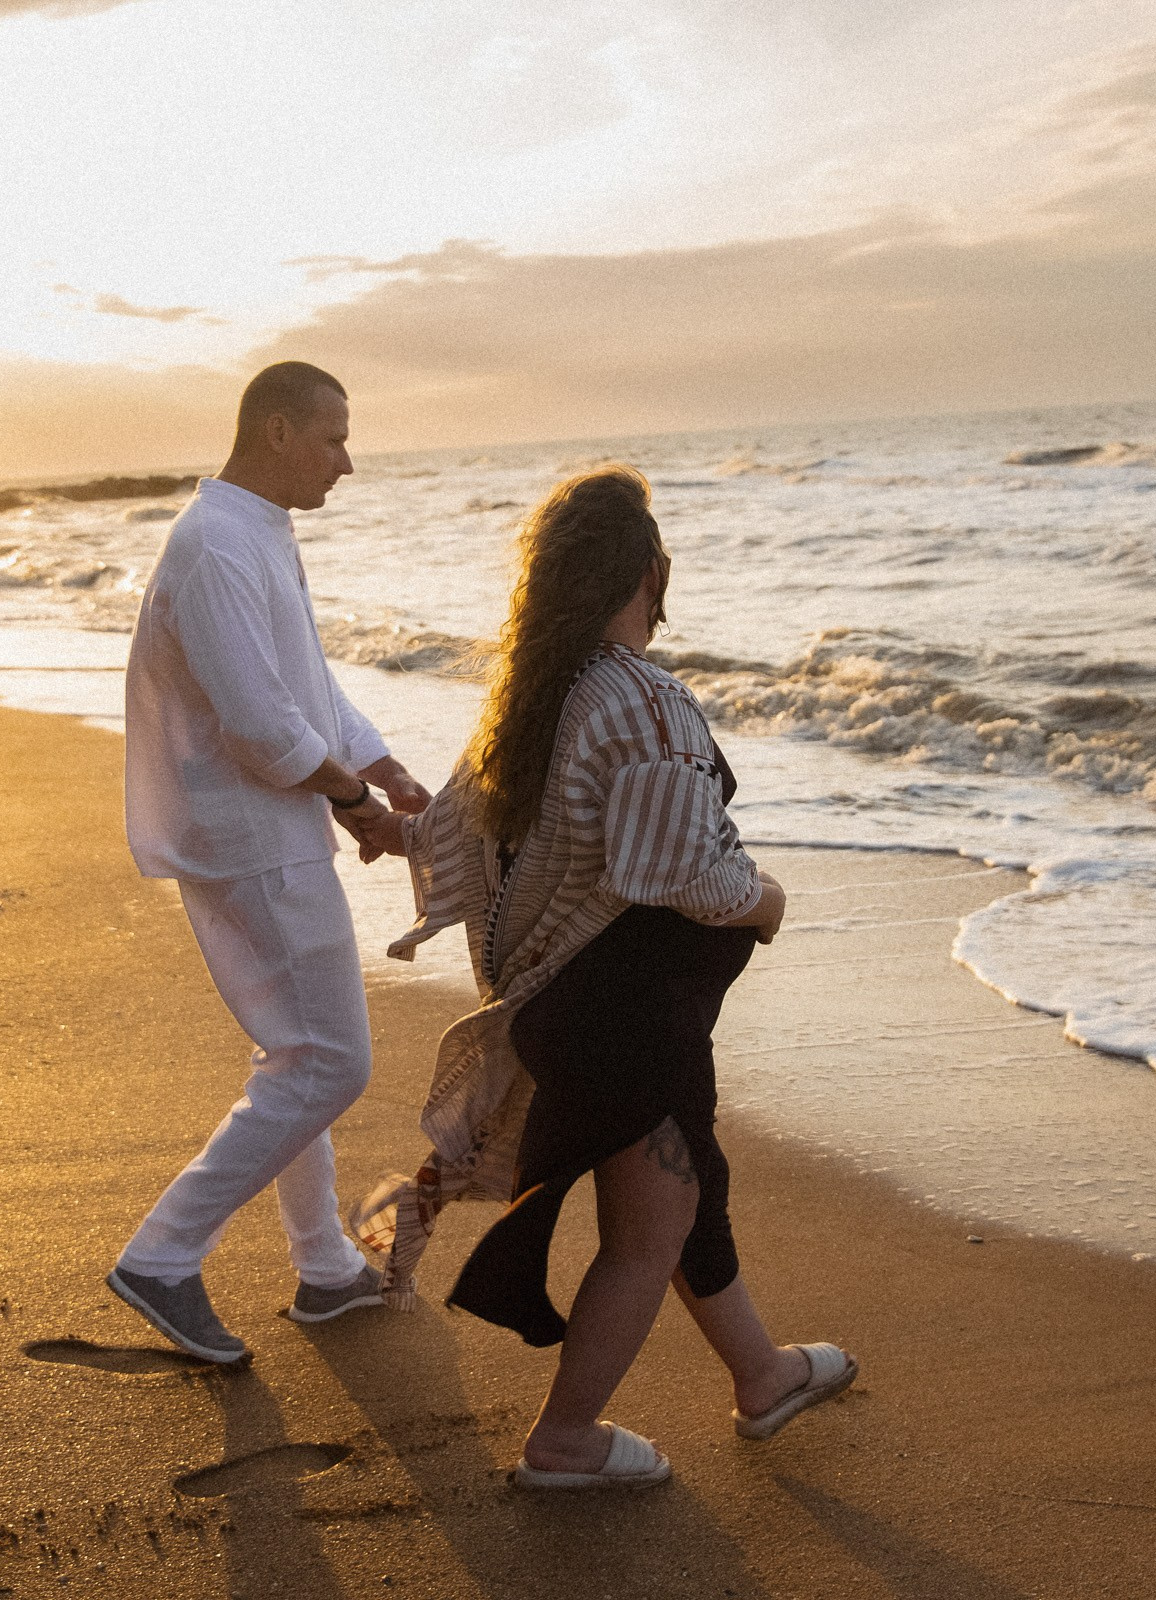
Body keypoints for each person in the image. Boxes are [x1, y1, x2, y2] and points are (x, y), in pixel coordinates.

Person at [355, 466, 856, 1488]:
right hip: (626, 1015)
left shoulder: (526, 704)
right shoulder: (642, 701)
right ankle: (566, 1440)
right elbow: (680, 873)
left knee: (680, 1190)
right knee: (650, 1226)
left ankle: (761, 1375)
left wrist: (393, 830)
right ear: (651, 570)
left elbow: (455, 831)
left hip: (573, 1011)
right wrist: (764, 899)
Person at [109, 360, 427, 1363]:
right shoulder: (213, 544)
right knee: (333, 1062)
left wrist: (380, 765)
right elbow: (255, 723)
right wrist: (353, 802)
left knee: (296, 1051)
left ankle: (325, 1267)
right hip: (249, 835)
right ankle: (162, 1255)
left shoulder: (253, 532)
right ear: (277, 429)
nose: (346, 459)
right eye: (332, 437)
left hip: (266, 827)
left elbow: (303, 687)